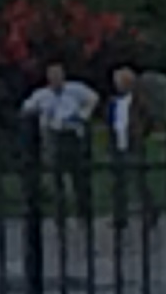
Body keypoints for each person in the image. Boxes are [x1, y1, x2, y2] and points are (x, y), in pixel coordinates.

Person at [19, 61, 99, 224]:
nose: (56, 80)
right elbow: (26, 108)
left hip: (73, 133)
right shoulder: (42, 95)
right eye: (52, 77)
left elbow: (93, 98)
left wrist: (84, 114)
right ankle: (60, 214)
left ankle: (84, 213)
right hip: (53, 134)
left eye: (58, 76)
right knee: (55, 177)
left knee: (80, 175)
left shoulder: (75, 89)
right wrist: (40, 114)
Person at [104, 65, 158, 229]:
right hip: (118, 143)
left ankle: (149, 212)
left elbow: (149, 119)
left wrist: (140, 133)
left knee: (138, 181)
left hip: (133, 143)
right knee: (118, 183)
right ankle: (119, 216)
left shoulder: (139, 101)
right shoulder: (113, 102)